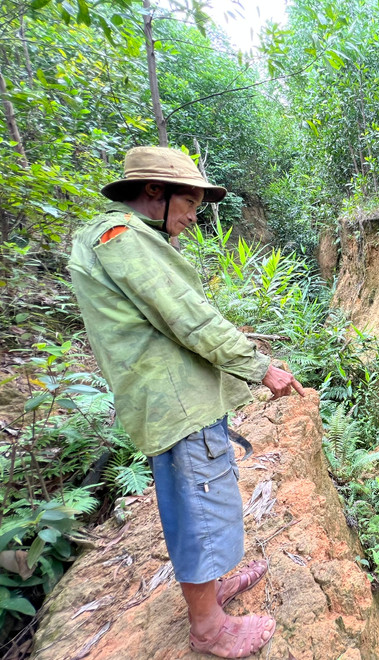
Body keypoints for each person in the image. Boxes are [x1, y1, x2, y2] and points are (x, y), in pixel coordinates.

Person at [68, 146, 304, 658]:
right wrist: (261, 367)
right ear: (155, 191)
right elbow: (187, 317)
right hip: (177, 403)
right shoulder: (123, 239)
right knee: (200, 504)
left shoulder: (113, 239)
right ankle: (208, 629)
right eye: (190, 202)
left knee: (199, 495)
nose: (195, 215)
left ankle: (211, 589)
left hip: (172, 398)